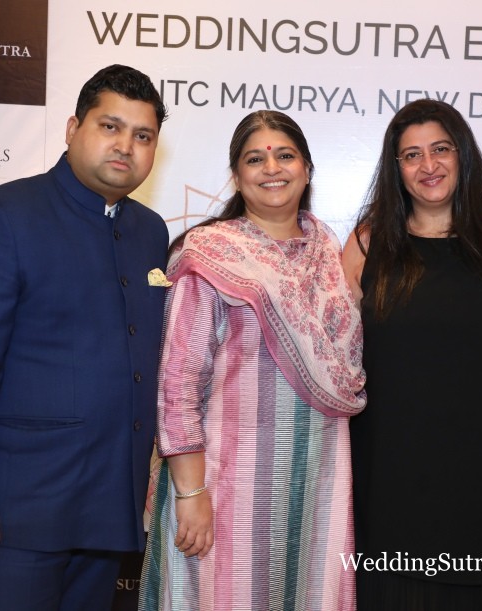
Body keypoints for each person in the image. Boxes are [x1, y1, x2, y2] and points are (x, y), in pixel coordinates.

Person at [0, 64, 170, 611]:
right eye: (110, 126)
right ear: (72, 128)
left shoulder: (149, 231)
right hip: (14, 520)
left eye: (143, 135)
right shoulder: (4, 215)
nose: (125, 145)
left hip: (108, 517)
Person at [139, 110, 366, 611]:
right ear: (237, 177)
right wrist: (191, 493)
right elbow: (179, 383)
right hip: (226, 485)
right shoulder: (210, 254)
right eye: (255, 159)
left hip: (318, 482)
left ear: (307, 169)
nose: (272, 168)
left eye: (285, 156)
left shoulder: (328, 251)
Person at [342, 99, 482, 610]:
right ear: (396, 168)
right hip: (389, 475)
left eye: (441, 149)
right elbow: (335, 359)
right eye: (412, 155)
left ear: (462, 154)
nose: (428, 165)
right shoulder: (366, 244)